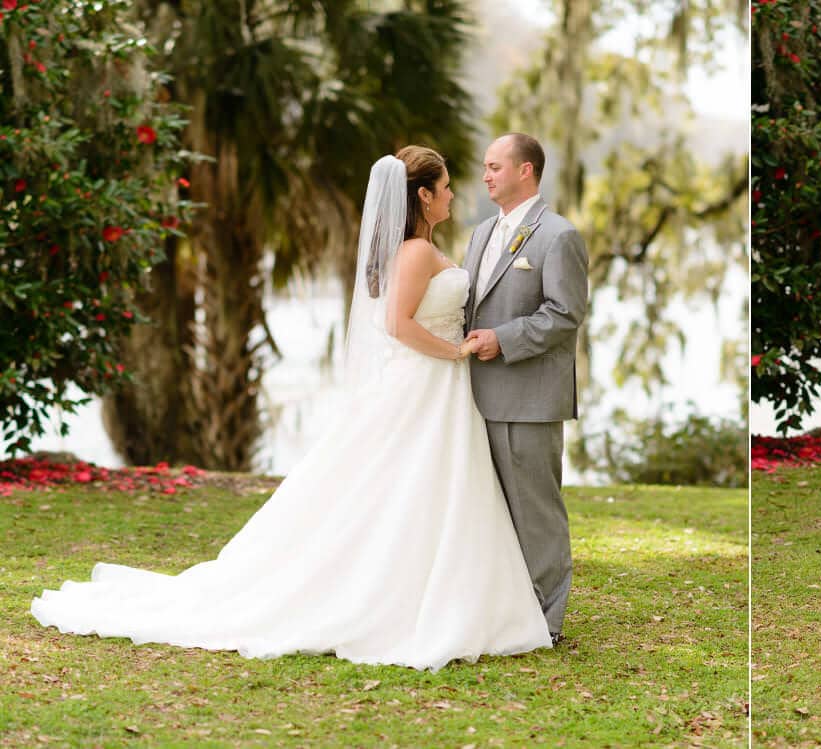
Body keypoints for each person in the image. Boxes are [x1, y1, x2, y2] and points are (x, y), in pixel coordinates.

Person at [31, 146, 552, 670]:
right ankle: (402, 597)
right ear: (422, 195)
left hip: (434, 389)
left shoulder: (418, 248)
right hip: (428, 379)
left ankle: (433, 588)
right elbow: (396, 324)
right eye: (443, 188)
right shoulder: (415, 252)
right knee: (412, 484)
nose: (452, 195)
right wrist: (455, 350)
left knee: (425, 487)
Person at [461, 134, 589, 644]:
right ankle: (504, 611)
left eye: (496, 166)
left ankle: (545, 623)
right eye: (485, 167)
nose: (486, 175)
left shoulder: (558, 236)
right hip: (473, 397)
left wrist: (503, 339)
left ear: (526, 171)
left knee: (536, 513)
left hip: (528, 398)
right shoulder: (479, 235)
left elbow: (564, 314)